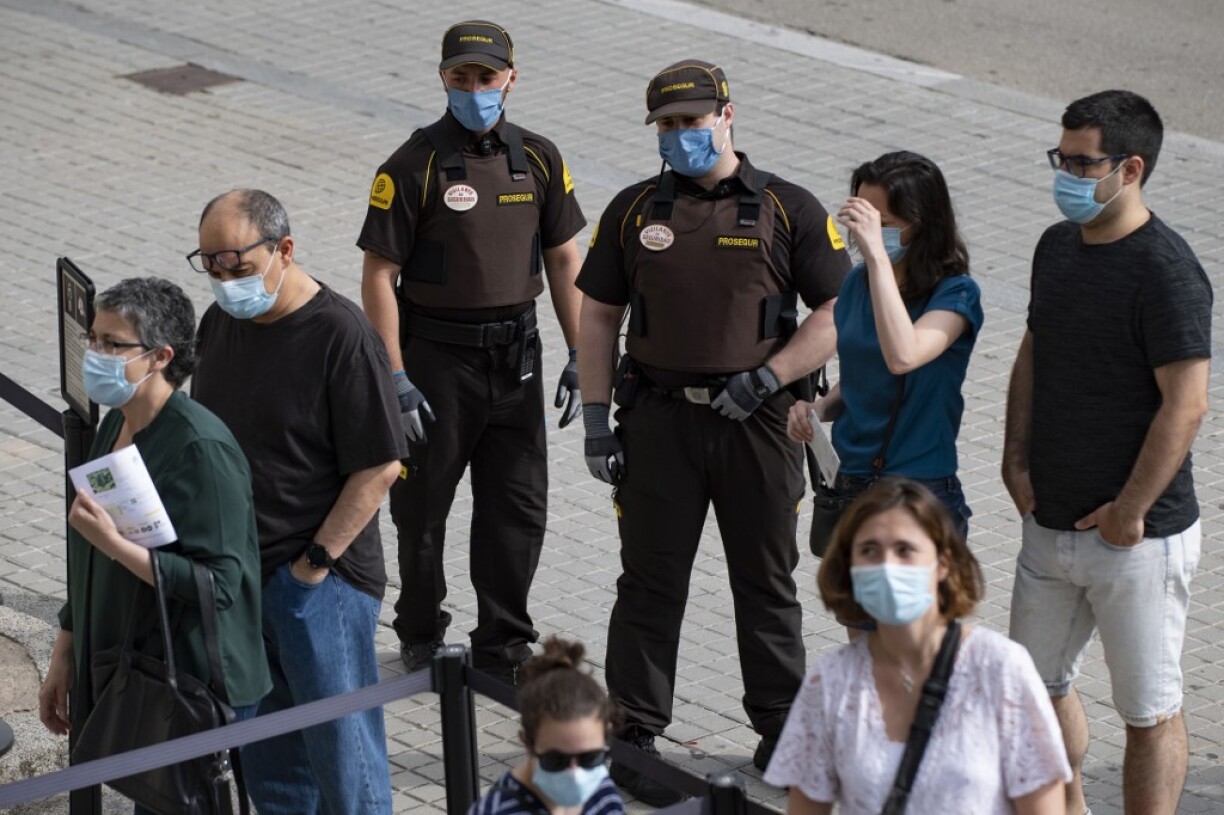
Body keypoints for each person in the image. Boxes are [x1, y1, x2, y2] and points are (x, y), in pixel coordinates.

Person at [577, 59, 849, 805]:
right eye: (666, 125)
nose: (679, 135)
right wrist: (596, 420)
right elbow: (598, 315)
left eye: (692, 121)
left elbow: (837, 311)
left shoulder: (787, 207)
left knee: (765, 581)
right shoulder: (634, 210)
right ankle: (633, 732)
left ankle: (783, 729)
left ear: (727, 115)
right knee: (648, 583)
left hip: (758, 422)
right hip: (659, 421)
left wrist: (770, 374)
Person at [357, 20, 586, 684]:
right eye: (462, 77)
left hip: (517, 360)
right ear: (443, 79)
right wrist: (394, 375)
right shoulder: (412, 165)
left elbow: (565, 258)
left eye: (487, 76)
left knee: (517, 507)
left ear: (511, 78)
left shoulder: (539, 157)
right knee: (422, 508)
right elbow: (379, 275)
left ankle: (503, 642)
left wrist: (584, 354)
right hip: (437, 362)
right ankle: (421, 628)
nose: (475, 88)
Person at [1003, 90, 1211, 815]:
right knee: (1034, 691)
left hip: (1136, 542)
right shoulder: (1056, 246)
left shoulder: (1166, 270)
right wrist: (1015, 458)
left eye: (1080, 163)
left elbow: (1187, 403)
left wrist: (1130, 510)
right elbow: (1034, 348)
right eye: (1059, 158)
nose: (1064, 174)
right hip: (1048, 522)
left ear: (1130, 168)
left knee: (1148, 710)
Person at [189, 189, 406, 815]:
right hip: (243, 580)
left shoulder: (341, 335)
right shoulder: (220, 323)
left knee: (348, 770)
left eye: (237, 265)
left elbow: (380, 467)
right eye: (210, 265)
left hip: (319, 588)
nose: (225, 281)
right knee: (273, 773)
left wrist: (312, 566)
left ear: (284, 249)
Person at [37, 277, 270, 814]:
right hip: (135, 664)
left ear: (161, 356)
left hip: (192, 681)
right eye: (93, 339)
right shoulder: (117, 423)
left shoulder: (201, 449)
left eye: (112, 344)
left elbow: (220, 586)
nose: (94, 354)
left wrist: (114, 543)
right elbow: (89, 558)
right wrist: (64, 651)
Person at [765, 479, 1070, 813]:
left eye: (905, 550)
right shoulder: (831, 681)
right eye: (869, 551)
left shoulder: (1001, 669)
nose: (887, 567)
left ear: (943, 563)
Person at [787, 151, 982, 539]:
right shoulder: (857, 283)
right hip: (850, 481)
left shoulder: (956, 294)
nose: (865, 234)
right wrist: (818, 409)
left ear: (922, 224)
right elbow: (863, 373)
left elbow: (902, 356)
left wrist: (877, 257)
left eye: (883, 224)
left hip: (918, 488)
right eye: (862, 219)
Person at [468, 637, 625, 815]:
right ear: (527, 742)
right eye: (557, 760)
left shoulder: (602, 793)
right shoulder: (496, 811)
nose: (576, 775)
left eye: (590, 758)